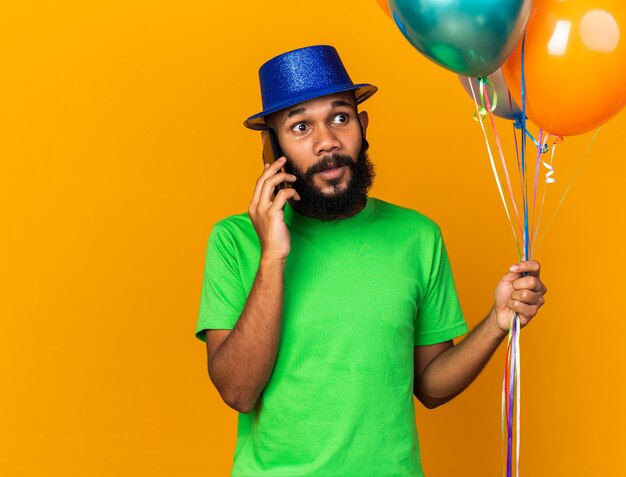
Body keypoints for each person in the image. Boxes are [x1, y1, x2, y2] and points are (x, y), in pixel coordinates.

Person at [196, 45, 546, 477]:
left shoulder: (417, 236)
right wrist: (273, 257)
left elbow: (432, 385)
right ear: (272, 148)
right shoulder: (234, 241)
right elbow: (238, 392)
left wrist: (498, 319)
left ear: (362, 126)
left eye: (340, 117)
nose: (327, 141)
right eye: (301, 126)